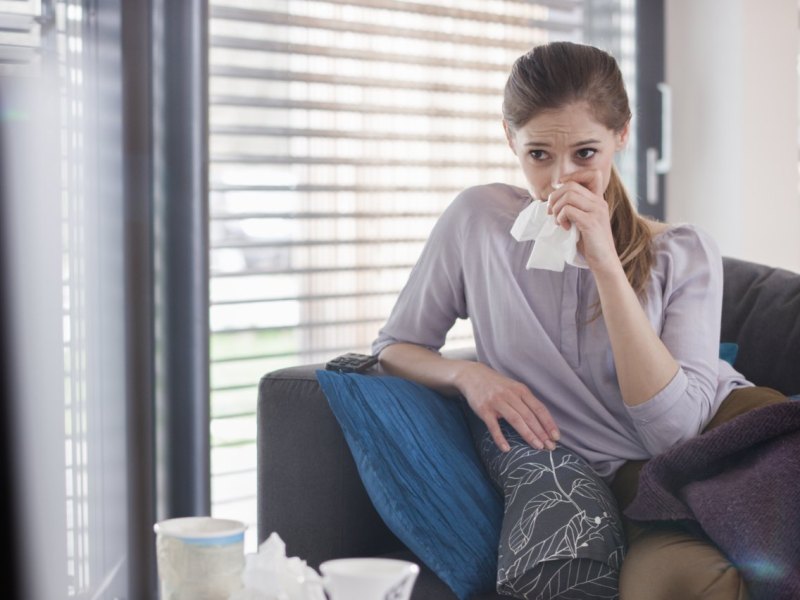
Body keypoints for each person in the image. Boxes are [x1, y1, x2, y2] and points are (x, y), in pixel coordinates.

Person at [372, 41, 787, 599]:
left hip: (724, 442)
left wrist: (605, 264)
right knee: (669, 586)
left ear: (622, 135)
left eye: (585, 153)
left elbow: (674, 432)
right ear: (509, 139)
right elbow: (396, 346)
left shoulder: (682, 252)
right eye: (539, 154)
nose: (561, 178)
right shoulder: (478, 223)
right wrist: (470, 376)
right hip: (633, 486)